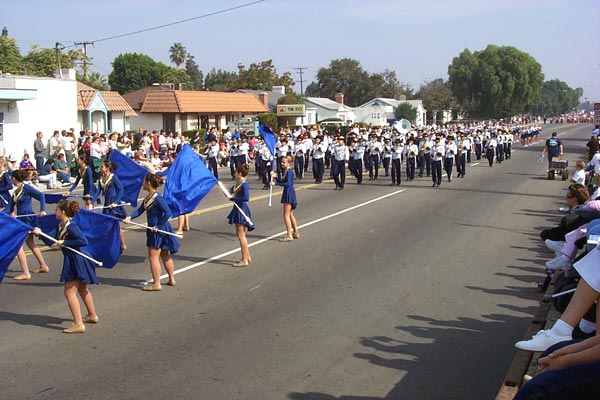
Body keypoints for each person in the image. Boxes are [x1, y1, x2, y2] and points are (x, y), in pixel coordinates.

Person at [34, 200, 99, 334]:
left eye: (57, 210)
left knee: (69, 292)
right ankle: (92, 315)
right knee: (82, 288)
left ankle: (78, 324)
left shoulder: (71, 226)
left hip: (76, 259)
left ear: (62, 212)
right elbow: (51, 241)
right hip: (72, 258)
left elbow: (83, 241)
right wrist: (39, 233)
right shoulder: (60, 225)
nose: (55, 212)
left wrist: (65, 242)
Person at [124, 174, 178, 291]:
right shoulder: (148, 198)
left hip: (158, 230)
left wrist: (158, 226)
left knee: (153, 257)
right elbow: (139, 211)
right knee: (164, 254)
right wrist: (130, 217)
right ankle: (171, 279)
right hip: (158, 229)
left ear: (148, 183)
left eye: (144, 181)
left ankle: (156, 284)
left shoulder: (158, 198)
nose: (142, 183)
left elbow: (167, 212)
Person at [9, 169, 49, 280]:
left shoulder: (26, 188)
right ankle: (43, 265)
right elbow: (9, 208)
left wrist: (42, 210)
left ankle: (26, 273)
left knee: (18, 245)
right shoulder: (15, 192)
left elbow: (41, 195)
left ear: (14, 178)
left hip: (28, 218)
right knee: (30, 243)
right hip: (21, 219)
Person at [226, 164, 254, 267]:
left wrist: (233, 199)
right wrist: (227, 193)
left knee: (241, 236)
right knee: (241, 235)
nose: (234, 174)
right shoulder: (237, 183)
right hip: (237, 208)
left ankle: (244, 259)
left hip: (241, 210)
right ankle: (247, 255)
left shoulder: (244, 184)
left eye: (236, 172)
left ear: (240, 174)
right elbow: (231, 191)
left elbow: (246, 198)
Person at [98, 160, 127, 251]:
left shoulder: (113, 177)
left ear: (107, 168)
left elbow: (120, 190)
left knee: (113, 224)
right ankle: (117, 244)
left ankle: (121, 244)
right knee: (108, 225)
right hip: (107, 203)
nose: (100, 168)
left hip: (114, 204)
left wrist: (116, 202)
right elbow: (97, 192)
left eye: (102, 167)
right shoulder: (101, 179)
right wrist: (91, 202)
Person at [271, 155, 298, 242]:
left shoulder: (289, 171)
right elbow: (282, 181)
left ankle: (289, 234)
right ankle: (295, 232)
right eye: (281, 162)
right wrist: (275, 177)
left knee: (286, 215)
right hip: (287, 192)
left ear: (289, 163)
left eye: (284, 162)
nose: (282, 163)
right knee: (290, 214)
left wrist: (276, 184)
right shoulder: (286, 171)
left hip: (289, 193)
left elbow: (288, 184)